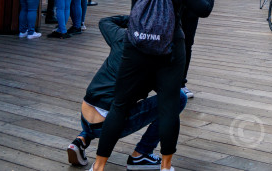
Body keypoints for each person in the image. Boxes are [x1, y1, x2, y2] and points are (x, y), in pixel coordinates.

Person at [90, 0, 214, 171]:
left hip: (136, 47)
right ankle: (166, 167)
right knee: (168, 108)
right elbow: (203, 10)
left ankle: (99, 165)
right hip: (170, 50)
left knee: (120, 105)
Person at [67, 13, 190, 168]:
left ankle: (82, 139)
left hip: (86, 114)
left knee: (114, 100)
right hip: (107, 123)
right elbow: (169, 94)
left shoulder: (123, 36)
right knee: (179, 98)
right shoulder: (159, 57)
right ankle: (142, 153)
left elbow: (105, 20)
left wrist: (136, 19)